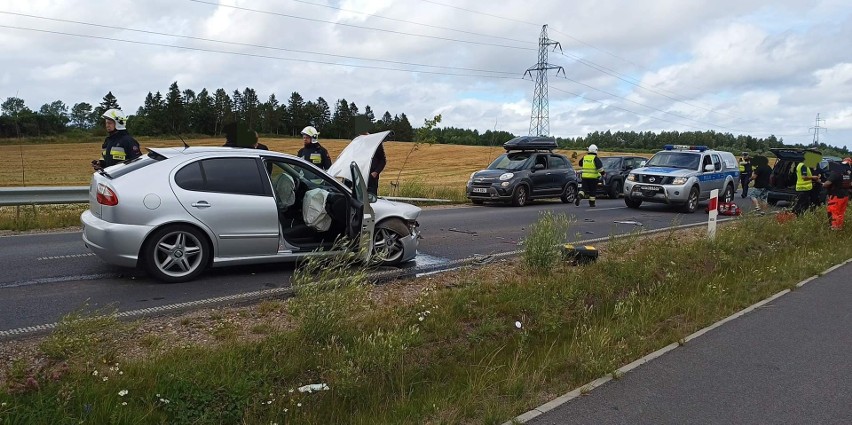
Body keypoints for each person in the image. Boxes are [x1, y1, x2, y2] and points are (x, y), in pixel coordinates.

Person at [822, 158, 852, 230]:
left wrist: (823, 184)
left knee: (833, 212)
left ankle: (834, 228)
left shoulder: (837, 171)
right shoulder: (849, 172)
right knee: (840, 213)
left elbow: (827, 184)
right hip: (845, 196)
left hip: (836, 196)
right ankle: (839, 227)